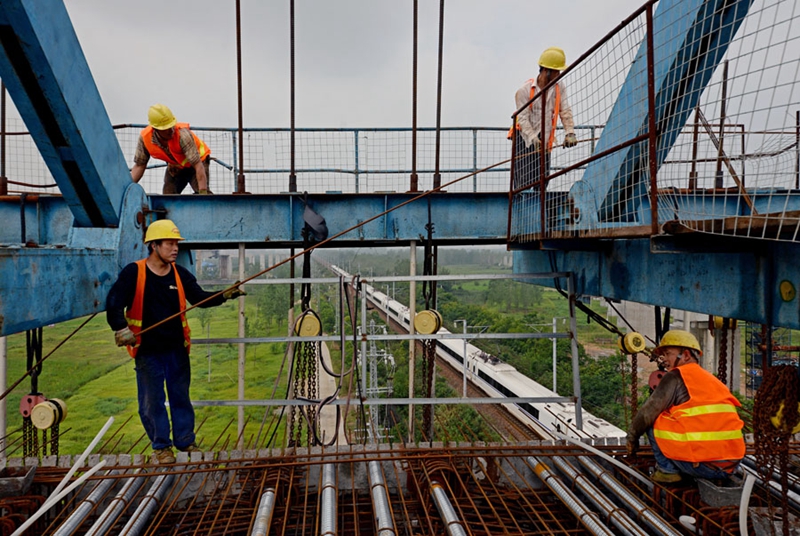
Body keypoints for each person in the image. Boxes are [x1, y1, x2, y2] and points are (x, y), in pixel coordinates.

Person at [106, 219, 244, 463]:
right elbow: (114, 303)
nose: (175, 248)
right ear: (154, 245)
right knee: (152, 401)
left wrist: (225, 294)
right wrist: (120, 328)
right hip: (148, 351)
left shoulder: (179, 274)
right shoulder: (134, 273)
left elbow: (199, 298)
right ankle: (161, 447)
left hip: (176, 351)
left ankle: (185, 442)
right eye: (169, 243)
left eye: (176, 243)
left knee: (181, 397)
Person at [627, 330, 745, 483]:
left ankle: (667, 471)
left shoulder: (675, 376)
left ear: (686, 355)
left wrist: (632, 437)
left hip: (703, 466)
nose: (665, 360)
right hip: (732, 466)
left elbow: (646, 414)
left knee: (655, 419)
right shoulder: (711, 380)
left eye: (668, 353)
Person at [510, 47, 577, 191]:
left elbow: (565, 110)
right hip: (525, 139)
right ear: (546, 71)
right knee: (523, 180)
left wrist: (569, 132)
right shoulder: (525, 91)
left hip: (545, 138)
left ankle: (540, 206)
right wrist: (534, 139)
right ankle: (522, 205)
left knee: (542, 178)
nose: (559, 75)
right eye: (556, 71)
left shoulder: (559, 88)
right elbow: (522, 119)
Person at [130, 104, 212, 194]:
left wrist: (203, 194)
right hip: (176, 165)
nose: (170, 130)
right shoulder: (145, 138)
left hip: (198, 162)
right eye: (165, 128)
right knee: (168, 195)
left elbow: (198, 165)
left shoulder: (183, 136)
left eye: (171, 125)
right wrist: (127, 189)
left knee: (201, 193)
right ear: (155, 129)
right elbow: (139, 165)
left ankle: (213, 205)